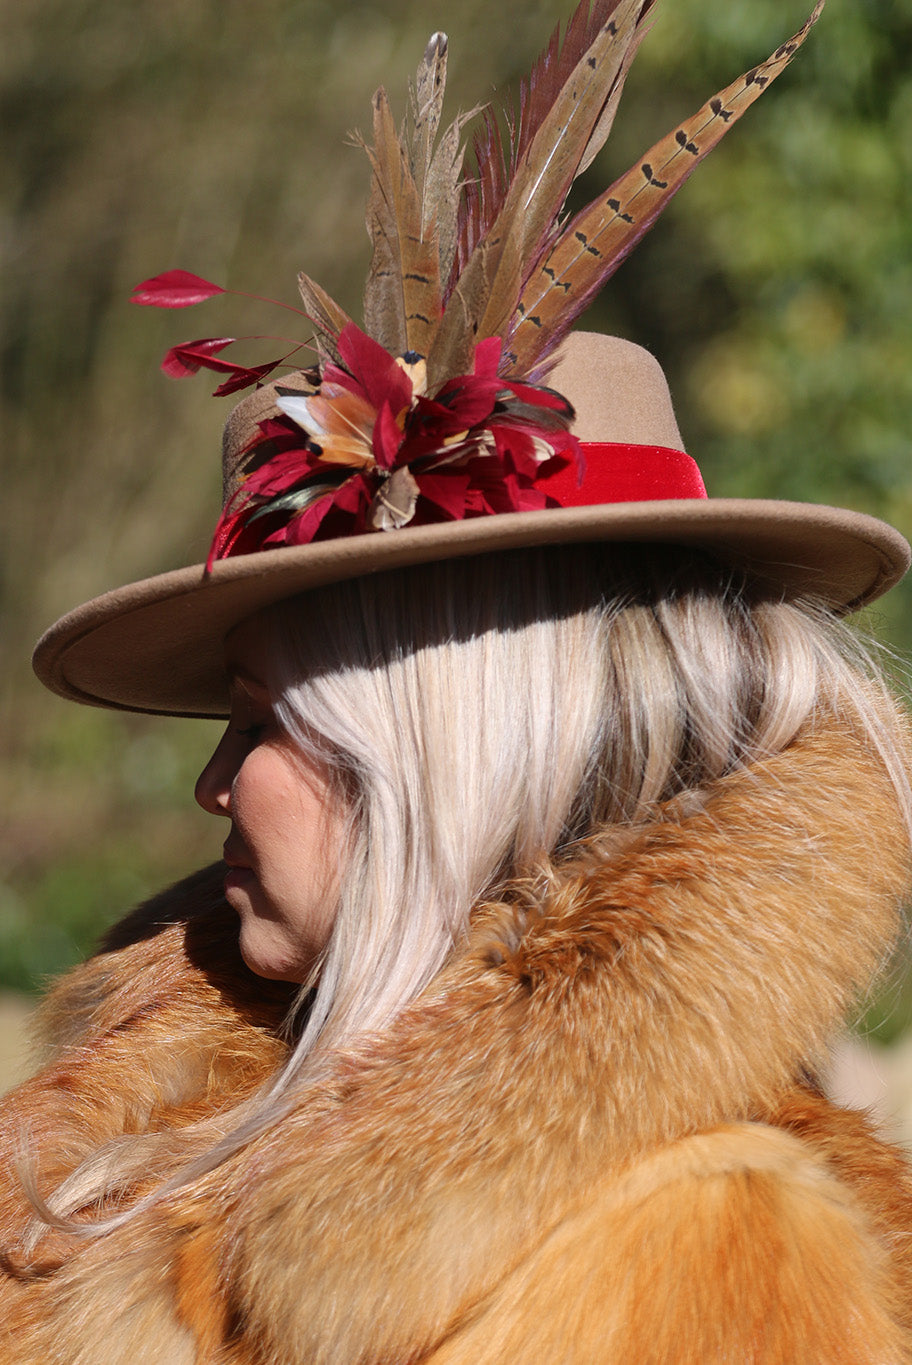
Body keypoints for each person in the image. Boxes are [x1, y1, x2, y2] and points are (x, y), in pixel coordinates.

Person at [3, 4, 912, 1362]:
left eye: (261, 719)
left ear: (449, 750)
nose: (211, 783)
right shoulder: (190, 1129)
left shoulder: (696, 1251)